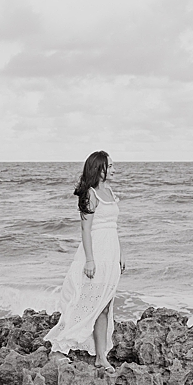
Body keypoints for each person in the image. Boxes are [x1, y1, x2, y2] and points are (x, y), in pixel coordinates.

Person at [48, 150, 121, 366]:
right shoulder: (90, 193)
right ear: (99, 169)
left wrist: (121, 253)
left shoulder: (109, 191)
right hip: (95, 255)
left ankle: (101, 357)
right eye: (111, 165)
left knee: (105, 306)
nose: (114, 169)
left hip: (111, 254)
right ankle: (59, 347)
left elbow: (113, 227)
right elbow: (85, 230)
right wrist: (90, 260)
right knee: (83, 302)